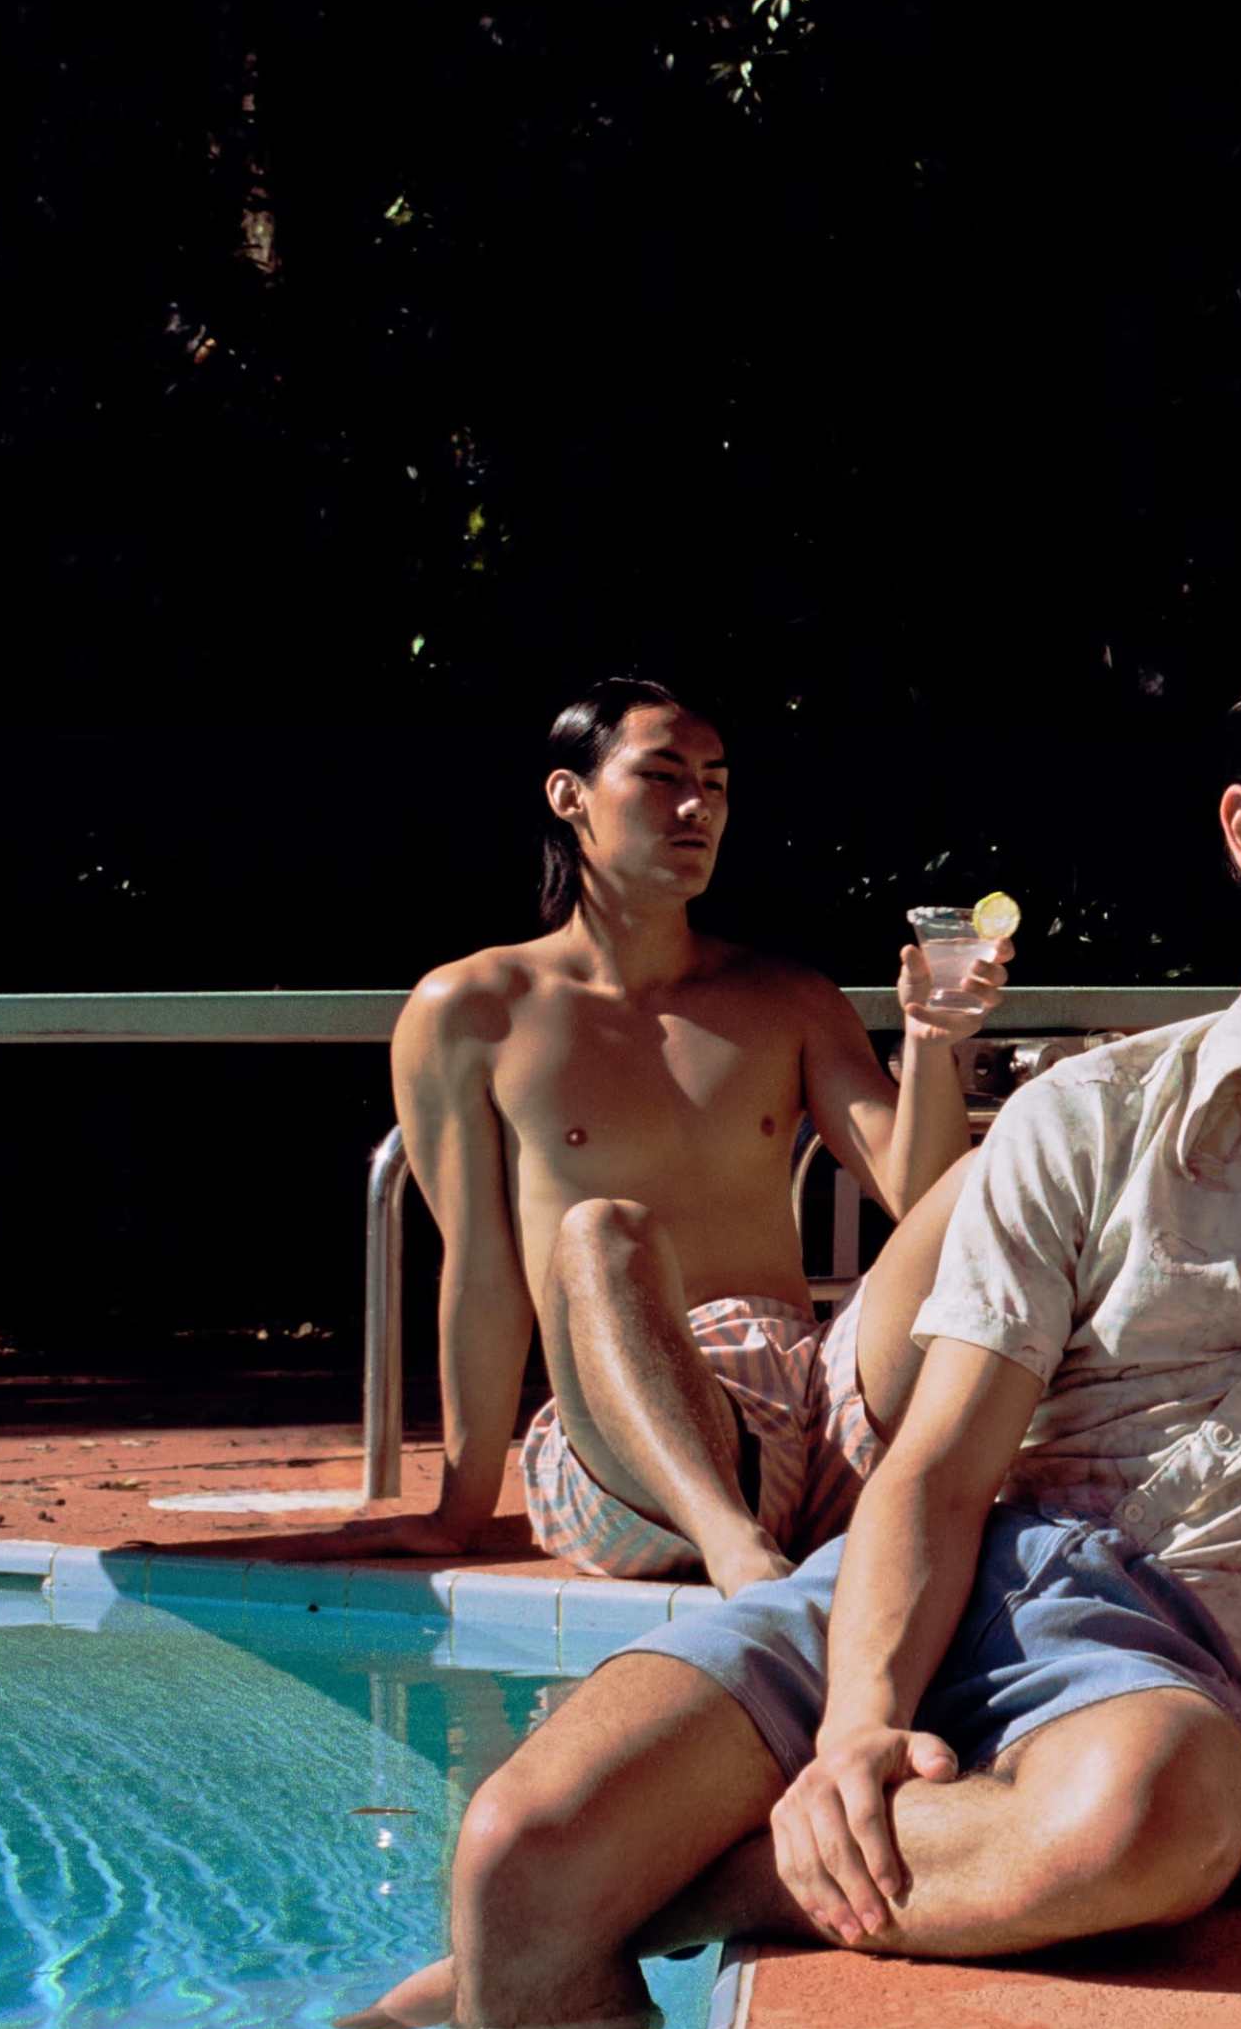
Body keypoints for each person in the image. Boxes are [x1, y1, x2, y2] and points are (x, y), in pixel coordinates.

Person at [346, 640, 1241, 2029]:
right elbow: (941, 1467)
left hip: (1156, 1650)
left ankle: (683, 1893)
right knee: (511, 1849)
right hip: (936, 1563)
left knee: (1152, 1819)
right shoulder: (1095, 1110)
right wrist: (852, 1731)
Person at [272, 676, 1001, 1592]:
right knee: (597, 1231)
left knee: (996, 1174)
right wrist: (462, 1509)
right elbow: (485, 1269)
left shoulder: (785, 999)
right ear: (569, 795)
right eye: (662, 776)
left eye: (717, 782)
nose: (698, 805)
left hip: (815, 1417)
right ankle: (733, 1545)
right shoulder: (472, 1010)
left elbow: (925, 1201)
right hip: (630, 1437)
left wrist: (933, 1042)